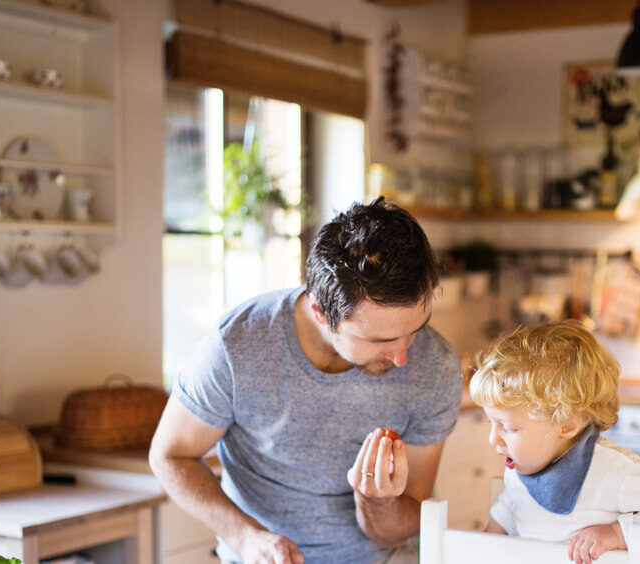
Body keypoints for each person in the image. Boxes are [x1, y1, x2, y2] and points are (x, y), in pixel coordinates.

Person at [150, 197, 464, 564]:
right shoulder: (238, 346)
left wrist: (376, 500)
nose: (403, 357)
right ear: (320, 311)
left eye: (416, 329)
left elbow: (403, 524)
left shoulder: (436, 366)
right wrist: (246, 538)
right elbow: (170, 456)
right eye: (378, 340)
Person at [469, 321, 640, 564]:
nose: (493, 438)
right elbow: (507, 513)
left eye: (510, 427)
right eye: (491, 423)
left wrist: (616, 533)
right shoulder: (518, 471)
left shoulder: (614, 472)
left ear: (566, 425)